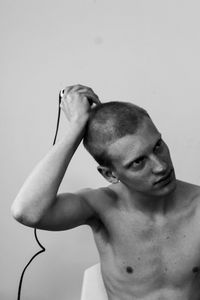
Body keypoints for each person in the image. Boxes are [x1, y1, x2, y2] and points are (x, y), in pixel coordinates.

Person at [11, 84, 200, 300]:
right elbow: (26, 211)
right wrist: (77, 126)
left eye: (158, 146)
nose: (161, 166)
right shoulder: (101, 207)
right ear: (110, 174)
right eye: (138, 162)